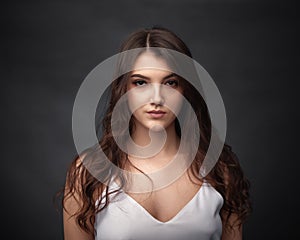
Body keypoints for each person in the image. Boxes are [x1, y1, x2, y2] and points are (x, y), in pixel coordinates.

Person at [62, 26, 251, 240]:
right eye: (140, 82)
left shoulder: (219, 170)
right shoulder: (89, 172)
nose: (157, 98)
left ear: (186, 90)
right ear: (123, 89)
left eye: (170, 83)